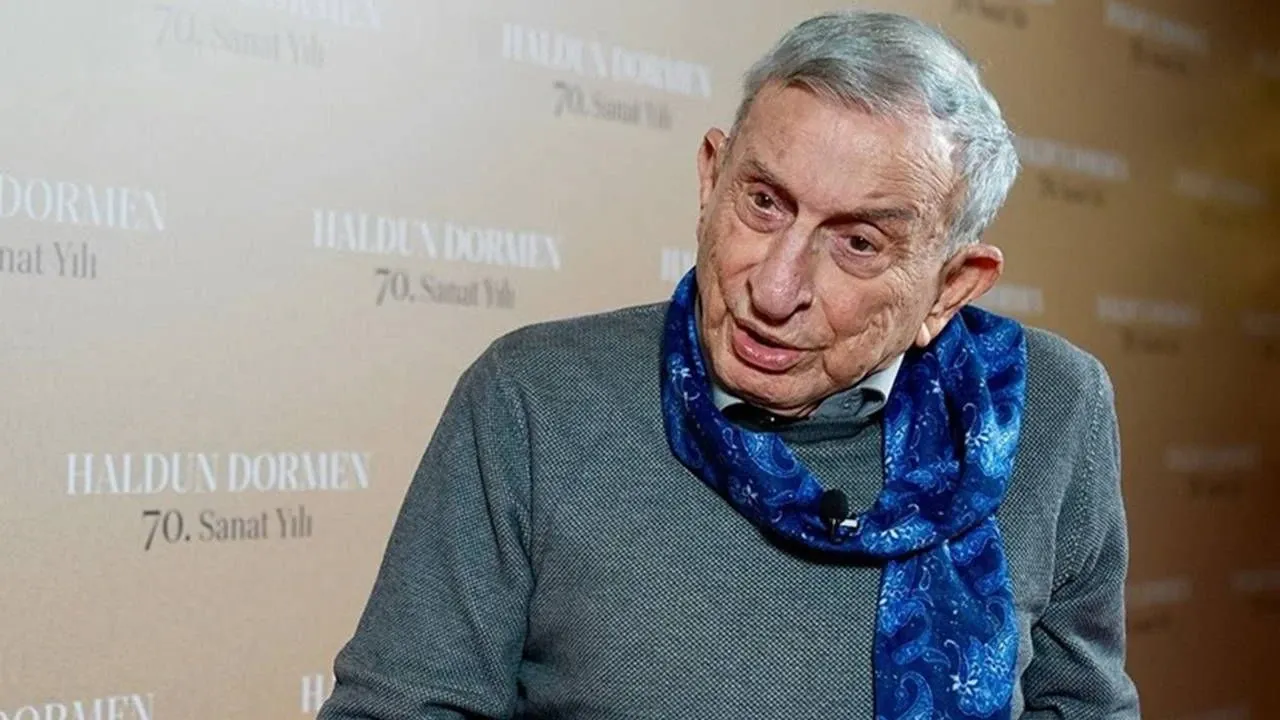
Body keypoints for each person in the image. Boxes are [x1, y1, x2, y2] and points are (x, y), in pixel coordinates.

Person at [318, 10, 1140, 719]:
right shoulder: (534, 399)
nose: (775, 289)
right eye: (764, 202)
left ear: (951, 287)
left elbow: (1084, 706)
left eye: (858, 243)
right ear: (711, 178)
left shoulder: (1049, 410)